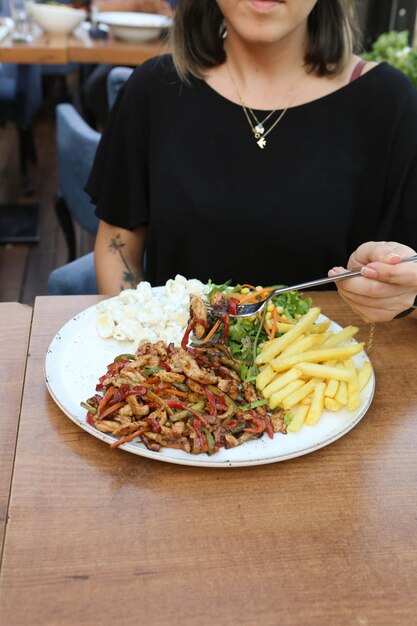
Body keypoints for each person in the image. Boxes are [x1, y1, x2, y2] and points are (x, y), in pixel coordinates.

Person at [86, 0, 417, 323]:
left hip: (349, 372)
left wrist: (406, 296)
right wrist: (136, 341)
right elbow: (118, 246)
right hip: (177, 369)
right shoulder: (153, 89)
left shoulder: (391, 105)